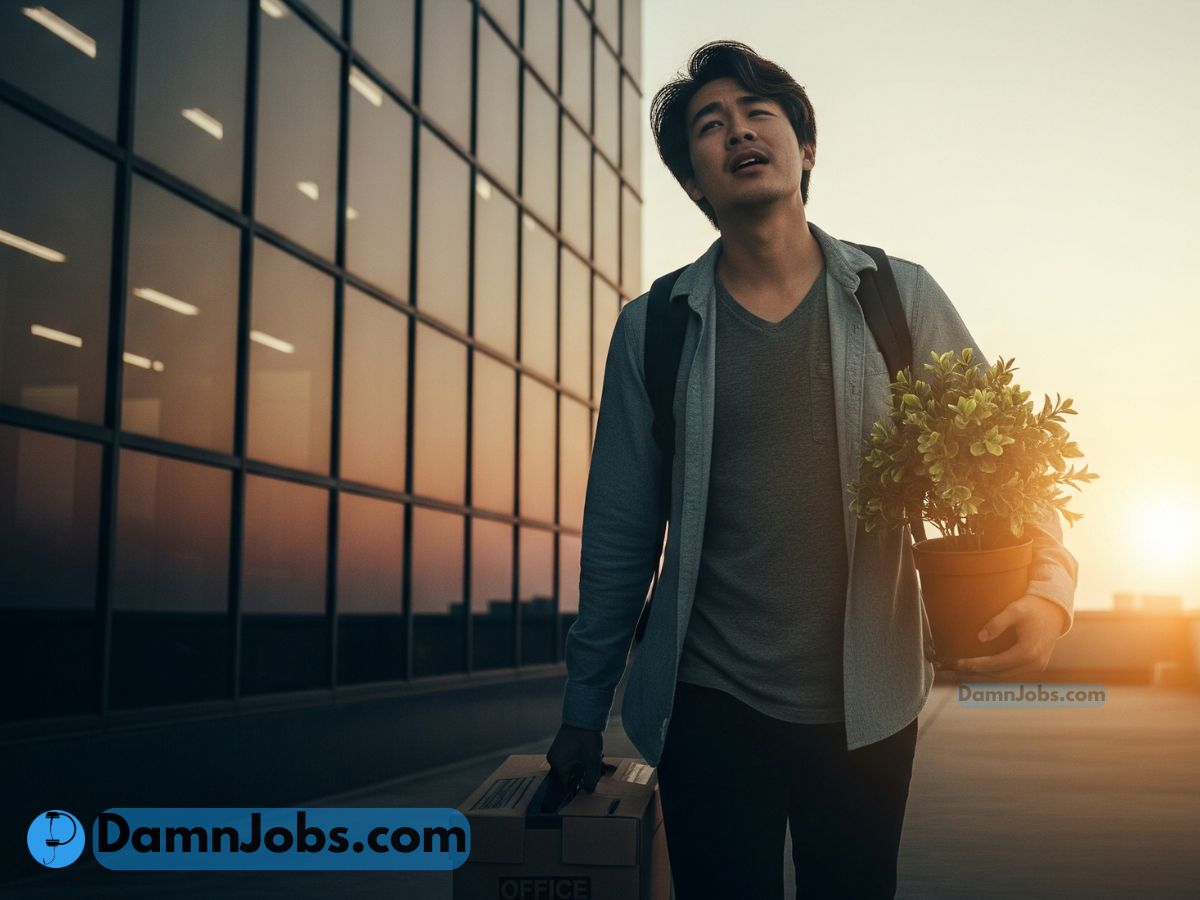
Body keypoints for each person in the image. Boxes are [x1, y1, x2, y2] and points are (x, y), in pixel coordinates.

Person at [547, 40, 1079, 899]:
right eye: (709, 127)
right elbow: (619, 531)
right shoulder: (656, 329)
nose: (738, 132)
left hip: (868, 703)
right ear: (694, 181)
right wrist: (583, 707)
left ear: (806, 150)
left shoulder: (895, 298)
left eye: (760, 114)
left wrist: (1049, 588)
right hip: (707, 705)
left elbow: (1009, 458)